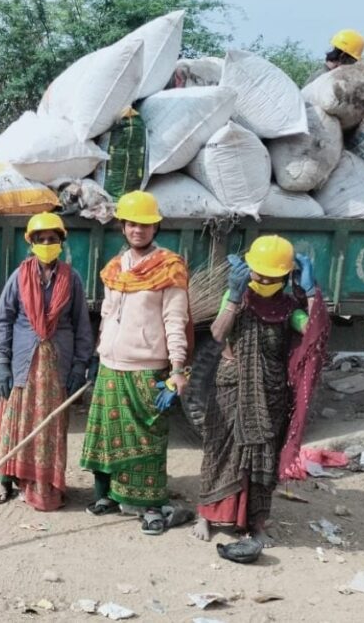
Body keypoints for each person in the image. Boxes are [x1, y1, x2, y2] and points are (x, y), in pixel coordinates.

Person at [191, 235, 330, 546]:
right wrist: (233, 298)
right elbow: (217, 333)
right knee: (219, 451)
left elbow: (314, 333)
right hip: (231, 386)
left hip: (270, 392)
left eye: (272, 276)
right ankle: (206, 515)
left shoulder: (288, 307)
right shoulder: (237, 296)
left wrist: (310, 293)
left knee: (262, 459)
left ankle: (255, 522)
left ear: (286, 276)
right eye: (260, 274)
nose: (264, 281)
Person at [80, 191, 191, 535]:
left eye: (144, 224)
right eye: (130, 223)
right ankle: (108, 495)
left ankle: (150, 506)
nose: (137, 230)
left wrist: (177, 370)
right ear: (122, 226)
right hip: (110, 365)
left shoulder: (169, 268)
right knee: (106, 436)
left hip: (146, 367)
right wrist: (98, 353)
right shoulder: (115, 268)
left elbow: (175, 321)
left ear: (156, 226)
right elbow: (107, 315)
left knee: (147, 440)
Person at [0, 212, 94, 511]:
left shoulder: (71, 279)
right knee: (14, 424)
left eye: (52, 239)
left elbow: (82, 325)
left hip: (56, 367)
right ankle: (4, 480)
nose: (47, 244)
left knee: (50, 428)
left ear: (61, 242)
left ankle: (43, 485)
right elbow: (4, 320)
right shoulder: (19, 276)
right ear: (32, 243)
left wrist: (80, 365)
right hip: (23, 365)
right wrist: (2, 363)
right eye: (41, 239)